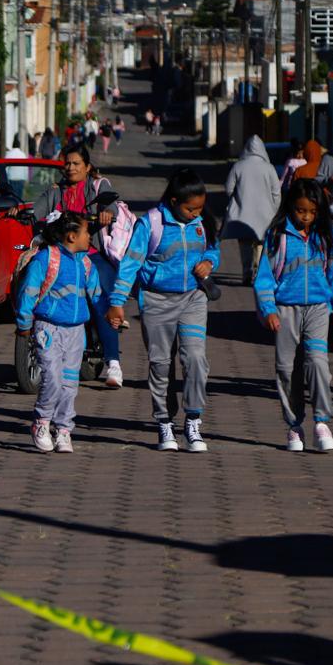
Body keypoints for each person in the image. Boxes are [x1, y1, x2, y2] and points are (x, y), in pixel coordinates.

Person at [107, 167, 220, 452]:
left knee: (195, 358)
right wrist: (117, 302)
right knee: (160, 364)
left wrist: (209, 262)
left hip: (193, 298)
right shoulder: (151, 224)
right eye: (190, 208)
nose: (196, 213)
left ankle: (193, 419)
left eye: (200, 208)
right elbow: (131, 263)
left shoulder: (202, 221)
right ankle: (164, 422)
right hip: (156, 301)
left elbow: (212, 248)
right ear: (173, 201)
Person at [254, 179, 333, 452]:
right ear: (290, 208)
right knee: (286, 369)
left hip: (319, 309)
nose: (306, 217)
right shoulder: (277, 236)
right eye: (300, 211)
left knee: (317, 362)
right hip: (285, 310)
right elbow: (264, 278)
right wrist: (269, 310)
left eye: (311, 212)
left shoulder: (326, 237)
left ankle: (322, 422)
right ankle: (294, 426)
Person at [31, 144, 124, 388]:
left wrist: (106, 214)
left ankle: (113, 362)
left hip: (91, 255)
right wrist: (23, 213)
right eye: (67, 163)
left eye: (76, 164)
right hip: (58, 255)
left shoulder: (98, 186)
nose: (70, 168)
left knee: (102, 299)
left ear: (87, 167)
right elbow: (36, 211)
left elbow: (111, 207)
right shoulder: (55, 191)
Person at [15, 211, 101, 453]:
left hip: (76, 331)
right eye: (86, 232)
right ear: (72, 236)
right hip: (47, 327)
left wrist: (112, 310)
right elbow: (28, 292)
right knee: (52, 376)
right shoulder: (46, 259)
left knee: (69, 383)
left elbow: (96, 295)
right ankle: (42, 422)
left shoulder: (85, 262)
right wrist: (24, 323)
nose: (89, 237)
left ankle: (64, 429)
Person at [221, 135, 281, 286]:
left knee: (245, 245)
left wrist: (239, 198)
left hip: (243, 215)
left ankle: (247, 272)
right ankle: (259, 273)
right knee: (261, 243)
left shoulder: (238, 166)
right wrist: (274, 209)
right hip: (265, 215)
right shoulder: (269, 168)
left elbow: (228, 189)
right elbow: (276, 193)